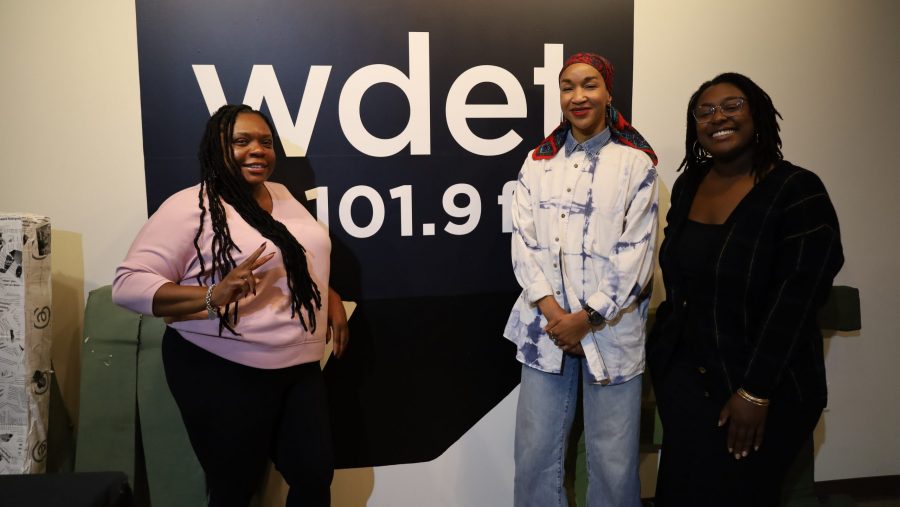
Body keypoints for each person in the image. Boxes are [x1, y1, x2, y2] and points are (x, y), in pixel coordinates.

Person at [113, 104, 348, 507]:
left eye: (265, 142)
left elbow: (295, 255)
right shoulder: (190, 207)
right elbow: (127, 285)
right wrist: (211, 295)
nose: (257, 150)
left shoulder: (282, 195)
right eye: (241, 141)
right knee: (234, 488)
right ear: (216, 148)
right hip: (220, 370)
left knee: (314, 477)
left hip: (299, 369)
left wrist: (329, 296)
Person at [647, 73, 844, 506]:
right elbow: (681, 282)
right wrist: (667, 362)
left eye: (732, 105)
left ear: (756, 113)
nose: (718, 117)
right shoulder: (689, 184)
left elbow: (796, 300)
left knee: (739, 494)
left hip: (762, 387)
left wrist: (755, 392)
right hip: (687, 384)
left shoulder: (797, 191)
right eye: (705, 110)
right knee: (681, 493)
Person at [504, 53, 659, 507]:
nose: (578, 96)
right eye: (568, 86)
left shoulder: (637, 165)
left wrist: (587, 317)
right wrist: (557, 316)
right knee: (534, 455)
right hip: (544, 330)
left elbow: (636, 255)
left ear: (608, 92)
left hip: (611, 332)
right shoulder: (537, 161)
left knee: (612, 461)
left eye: (589, 85)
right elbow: (524, 245)